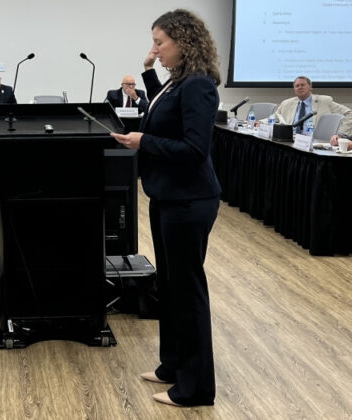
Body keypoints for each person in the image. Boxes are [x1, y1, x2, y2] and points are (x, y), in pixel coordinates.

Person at [110, 9, 220, 408]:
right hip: (169, 197)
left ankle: (195, 388)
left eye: (160, 42)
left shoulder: (198, 86)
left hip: (190, 201)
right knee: (170, 287)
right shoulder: (177, 83)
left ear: (183, 42)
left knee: (187, 292)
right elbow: (162, 113)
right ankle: (172, 365)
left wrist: (144, 142)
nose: (154, 49)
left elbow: (194, 149)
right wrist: (148, 71)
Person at [272, 76, 352, 135]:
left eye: (303, 85)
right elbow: (273, 118)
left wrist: (341, 134)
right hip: (290, 140)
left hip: (314, 142)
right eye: (297, 86)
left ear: (310, 87)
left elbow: (350, 114)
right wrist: (260, 123)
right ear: (294, 89)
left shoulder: (324, 101)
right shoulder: (286, 103)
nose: (300, 87)